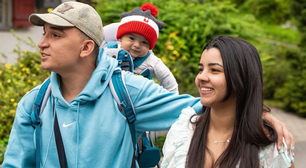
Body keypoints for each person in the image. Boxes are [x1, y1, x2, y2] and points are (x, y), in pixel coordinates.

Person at [2, 2, 292, 168]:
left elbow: (203, 104)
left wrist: (259, 114)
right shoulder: (35, 103)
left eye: (55, 35)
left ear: (86, 47)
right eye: (44, 34)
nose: (41, 43)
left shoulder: (127, 92)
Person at [161, 36, 295, 168]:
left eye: (214, 70)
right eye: (200, 69)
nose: (201, 77)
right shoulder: (183, 132)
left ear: (241, 78)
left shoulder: (269, 145)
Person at [103, 2, 179, 93]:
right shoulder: (108, 49)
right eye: (131, 38)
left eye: (144, 42)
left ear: (150, 47)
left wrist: (172, 101)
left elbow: (169, 82)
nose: (137, 45)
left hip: (139, 100)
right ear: (120, 38)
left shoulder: (151, 61)